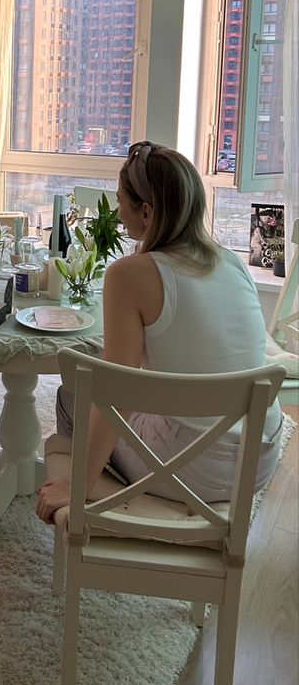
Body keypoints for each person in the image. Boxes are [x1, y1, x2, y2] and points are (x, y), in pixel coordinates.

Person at [36, 141, 284, 523]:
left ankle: (92, 492)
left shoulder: (130, 273)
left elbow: (115, 393)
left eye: (121, 202)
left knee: (74, 393)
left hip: (195, 470)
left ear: (147, 213)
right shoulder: (231, 260)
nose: (118, 213)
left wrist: (77, 489)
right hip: (258, 456)